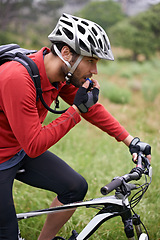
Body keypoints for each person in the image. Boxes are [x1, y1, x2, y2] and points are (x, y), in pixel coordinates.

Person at [0, 13, 151, 240]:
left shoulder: (59, 76)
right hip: (5, 156)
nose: (95, 71)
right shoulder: (17, 78)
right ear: (67, 53)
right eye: (91, 60)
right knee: (7, 234)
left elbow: (90, 108)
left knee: (75, 187)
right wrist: (76, 111)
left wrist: (131, 140)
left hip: (17, 149)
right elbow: (34, 145)